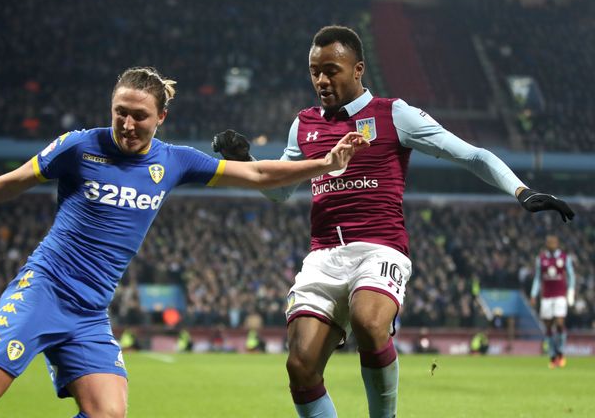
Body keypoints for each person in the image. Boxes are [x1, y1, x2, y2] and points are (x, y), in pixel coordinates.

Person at [0, 66, 368, 418]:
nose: (128, 124)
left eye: (140, 116)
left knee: (109, 414)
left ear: (161, 117)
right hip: (45, 288)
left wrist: (323, 163)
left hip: (90, 310)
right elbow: (11, 183)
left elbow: (255, 176)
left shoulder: (174, 160)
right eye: (120, 113)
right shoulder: (79, 147)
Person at [212, 25, 575, 418]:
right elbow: (280, 190)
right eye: (315, 70)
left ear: (358, 69)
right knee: (299, 367)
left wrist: (521, 191)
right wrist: (245, 162)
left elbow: (472, 155)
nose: (321, 79)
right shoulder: (303, 125)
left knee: (369, 322)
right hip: (323, 257)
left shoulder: (393, 114)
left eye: (331, 69)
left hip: (379, 248)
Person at [529, 234, 575, 368]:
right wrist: (533, 294)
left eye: (553, 242)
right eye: (549, 242)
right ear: (546, 244)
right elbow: (538, 278)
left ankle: (561, 352)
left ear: (557, 243)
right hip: (546, 297)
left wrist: (571, 291)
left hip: (560, 295)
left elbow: (571, 275)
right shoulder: (541, 259)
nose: (551, 245)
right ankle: (552, 355)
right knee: (548, 326)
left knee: (560, 323)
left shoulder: (564, 257)